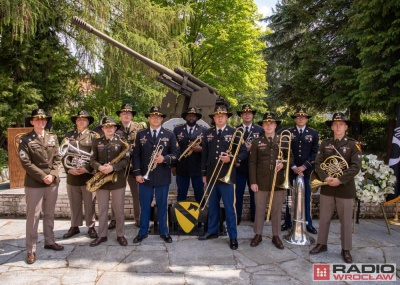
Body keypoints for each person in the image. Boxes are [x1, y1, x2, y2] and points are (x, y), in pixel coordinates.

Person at [310, 112, 362, 263]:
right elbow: (318, 163)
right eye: (335, 124)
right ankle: (321, 244)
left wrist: (339, 180)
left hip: (345, 188)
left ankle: (346, 249)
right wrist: (326, 178)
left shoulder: (353, 144)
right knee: (324, 218)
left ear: (346, 127)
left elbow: (355, 167)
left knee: (345, 220)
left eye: (341, 124)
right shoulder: (325, 144)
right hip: (327, 185)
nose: (338, 127)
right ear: (332, 127)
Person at [198, 105, 247, 250]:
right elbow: (204, 156)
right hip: (212, 176)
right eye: (217, 115)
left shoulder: (234, 132)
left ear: (227, 117)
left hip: (228, 177)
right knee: (212, 206)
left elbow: (244, 153)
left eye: (223, 115)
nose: (220, 117)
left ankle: (233, 236)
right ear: (214, 118)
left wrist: (231, 159)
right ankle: (212, 231)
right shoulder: (208, 133)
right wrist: (203, 174)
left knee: (230, 208)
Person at [18, 109, 64, 264]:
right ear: (32, 121)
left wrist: (52, 174)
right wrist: (42, 176)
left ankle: (49, 241)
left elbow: (58, 157)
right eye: (37, 119)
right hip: (34, 183)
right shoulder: (25, 139)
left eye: (43, 119)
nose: (41, 121)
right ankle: (31, 250)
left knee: (49, 213)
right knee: (33, 217)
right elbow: (26, 162)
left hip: (52, 181)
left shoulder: (53, 137)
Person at [132, 106, 180, 243]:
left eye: (158, 116)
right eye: (153, 116)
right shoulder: (141, 134)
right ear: (148, 118)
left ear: (162, 119)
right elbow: (136, 156)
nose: (156, 118)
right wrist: (137, 174)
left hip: (162, 176)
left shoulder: (169, 134)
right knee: (145, 205)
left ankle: (164, 231)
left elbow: (176, 153)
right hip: (144, 177)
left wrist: (164, 159)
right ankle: (143, 231)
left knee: (162, 205)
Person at [249, 112, 293, 249]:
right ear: (262, 125)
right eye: (266, 123)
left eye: (271, 123)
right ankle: (258, 234)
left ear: (275, 125)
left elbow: (291, 158)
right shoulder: (257, 142)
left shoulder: (284, 140)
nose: (268, 125)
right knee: (260, 209)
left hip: (278, 180)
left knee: (276, 210)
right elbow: (252, 163)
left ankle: (276, 235)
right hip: (261, 180)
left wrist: (284, 164)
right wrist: (253, 182)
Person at [89, 116, 130, 247]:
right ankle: (102, 235)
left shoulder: (122, 141)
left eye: (111, 126)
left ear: (115, 128)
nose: (109, 128)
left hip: (117, 179)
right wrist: (99, 167)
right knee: (102, 210)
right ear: (102, 128)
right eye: (106, 126)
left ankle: (121, 235)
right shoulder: (96, 142)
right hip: (101, 178)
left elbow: (126, 161)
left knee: (119, 209)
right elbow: (92, 159)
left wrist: (113, 167)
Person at [281, 108, 319, 234]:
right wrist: (293, 166)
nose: (301, 119)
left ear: (307, 119)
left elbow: (315, 153)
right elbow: (284, 151)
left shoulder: (313, 133)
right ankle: (287, 221)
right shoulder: (288, 132)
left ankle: (308, 222)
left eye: (303, 117)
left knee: (307, 198)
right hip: (291, 171)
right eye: (298, 117)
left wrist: (304, 167)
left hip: (307, 171)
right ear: (295, 119)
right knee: (289, 198)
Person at [62, 110, 98, 239]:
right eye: (79, 119)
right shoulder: (68, 136)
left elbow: (95, 156)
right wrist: (68, 169)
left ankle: (91, 226)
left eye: (84, 119)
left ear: (88, 122)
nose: (82, 121)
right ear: (76, 121)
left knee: (90, 203)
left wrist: (87, 169)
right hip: (72, 175)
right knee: (74, 203)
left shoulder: (93, 136)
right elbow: (62, 154)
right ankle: (75, 226)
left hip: (88, 175)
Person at [235, 104, 264, 224]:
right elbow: (231, 148)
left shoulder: (259, 130)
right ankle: (237, 216)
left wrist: (253, 148)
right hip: (240, 166)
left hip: (255, 167)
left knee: (255, 192)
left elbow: (264, 148)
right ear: (241, 115)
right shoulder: (235, 129)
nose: (247, 115)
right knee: (238, 192)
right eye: (244, 113)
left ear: (252, 115)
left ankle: (254, 215)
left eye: (249, 113)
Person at [114, 103, 141, 228]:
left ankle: (138, 219)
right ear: (120, 115)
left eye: (128, 113)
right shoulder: (114, 128)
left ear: (132, 115)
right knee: (116, 195)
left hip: (134, 166)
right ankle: (114, 220)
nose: (126, 115)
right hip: (119, 167)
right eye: (123, 113)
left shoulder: (138, 127)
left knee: (137, 195)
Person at [172, 107, 207, 203]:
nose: (191, 117)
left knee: (200, 194)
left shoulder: (204, 130)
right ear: (186, 117)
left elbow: (209, 149)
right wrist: (173, 166)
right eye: (189, 115)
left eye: (193, 115)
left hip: (198, 168)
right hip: (182, 167)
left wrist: (201, 149)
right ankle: (179, 215)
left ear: (196, 117)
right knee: (181, 194)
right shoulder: (177, 129)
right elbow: (174, 149)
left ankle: (202, 215)